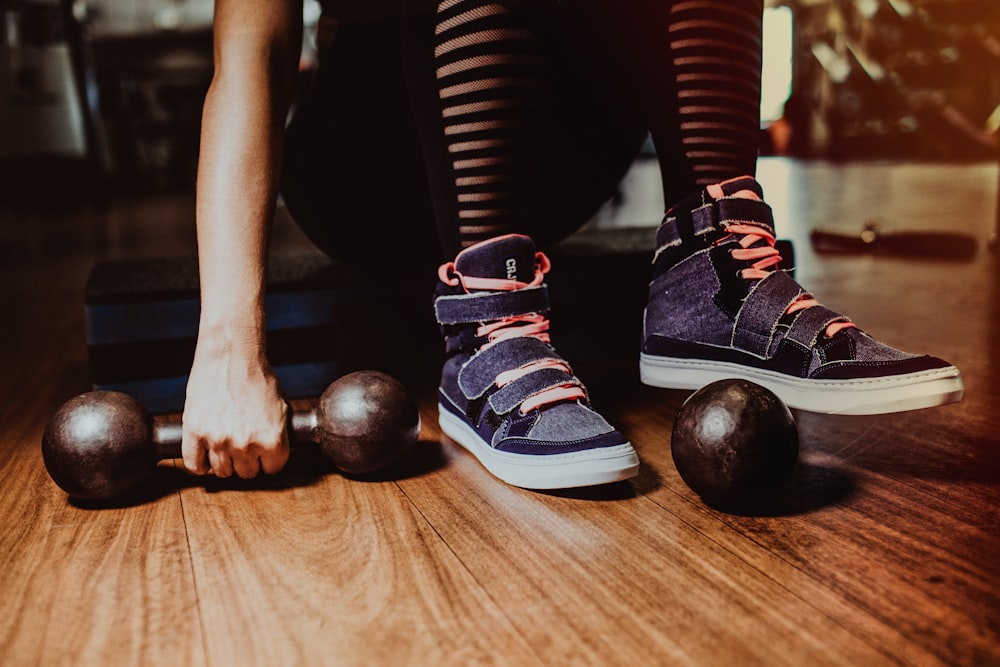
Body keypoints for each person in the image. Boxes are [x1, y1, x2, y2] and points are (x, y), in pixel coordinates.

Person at [181, 0, 963, 487]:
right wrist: (228, 351)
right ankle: (485, 323)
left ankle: (713, 277)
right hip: (370, 170)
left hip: (550, 146)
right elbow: (251, 58)